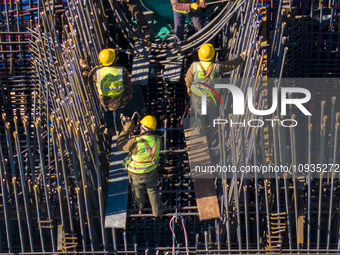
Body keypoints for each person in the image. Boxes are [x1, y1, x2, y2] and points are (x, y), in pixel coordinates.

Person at [185, 43, 246, 133]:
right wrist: (242, 56)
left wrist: (188, 87)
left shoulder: (194, 66)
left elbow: (188, 78)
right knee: (212, 114)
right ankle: (214, 131)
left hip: (197, 97)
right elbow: (232, 65)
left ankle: (202, 130)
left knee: (200, 115)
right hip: (211, 97)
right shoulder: (218, 66)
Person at [117, 115, 165, 217]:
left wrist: (126, 129)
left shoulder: (135, 141)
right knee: (152, 190)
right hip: (151, 171)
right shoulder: (158, 139)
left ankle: (140, 207)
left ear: (143, 128)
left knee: (137, 189)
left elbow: (120, 145)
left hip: (136, 173)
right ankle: (156, 211)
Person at [87, 48, 133, 135]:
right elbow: (128, 86)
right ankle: (118, 130)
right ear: (114, 60)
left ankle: (108, 128)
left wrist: (84, 67)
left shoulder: (97, 71)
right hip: (119, 100)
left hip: (104, 100)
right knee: (117, 115)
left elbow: (87, 79)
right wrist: (129, 96)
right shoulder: (121, 71)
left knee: (106, 113)